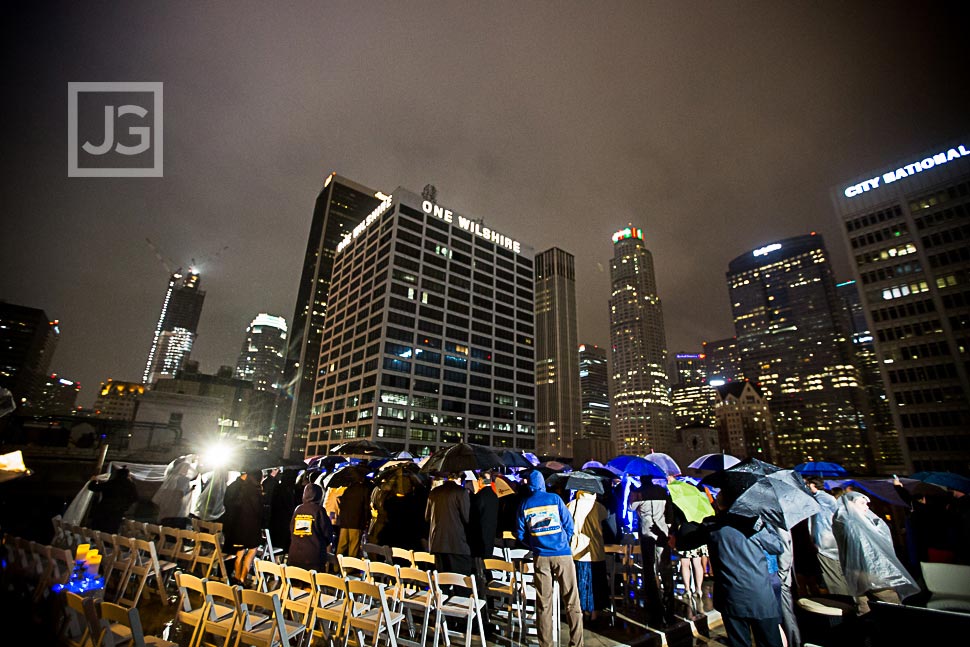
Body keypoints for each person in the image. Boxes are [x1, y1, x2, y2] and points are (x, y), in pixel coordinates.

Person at [686, 492, 785, 647]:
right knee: (769, 641)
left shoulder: (712, 525)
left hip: (730, 596)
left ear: (719, 505)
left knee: (738, 642)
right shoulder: (753, 524)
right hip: (760, 596)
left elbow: (686, 541)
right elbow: (776, 546)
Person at [516, 471, 583, 647]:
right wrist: (563, 541)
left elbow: (521, 534)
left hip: (541, 558)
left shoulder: (525, 503)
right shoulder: (555, 499)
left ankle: (545, 644)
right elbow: (569, 525)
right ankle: (577, 643)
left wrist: (535, 544)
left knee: (544, 604)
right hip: (562, 555)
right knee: (572, 601)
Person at [831, 491, 919, 615]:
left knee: (863, 606)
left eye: (866, 503)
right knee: (893, 604)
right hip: (872, 572)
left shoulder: (842, 520)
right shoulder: (855, 524)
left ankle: (869, 631)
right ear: (850, 504)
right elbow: (869, 551)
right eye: (862, 503)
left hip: (855, 572)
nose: (866, 507)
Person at [629, 478, 674, 629]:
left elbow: (630, 508)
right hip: (662, 532)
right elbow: (669, 511)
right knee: (665, 566)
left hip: (647, 532)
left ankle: (653, 601)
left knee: (649, 568)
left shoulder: (639, 492)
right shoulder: (662, 491)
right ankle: (668, 598)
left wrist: (635, 497)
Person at [566, 488, 608, 623]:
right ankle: (595, 613)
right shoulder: (599, 507)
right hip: (596, 551)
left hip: (577, 551)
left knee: (581, 582)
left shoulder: (571, 505)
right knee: (596, 583)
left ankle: (581, 612)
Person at [804, 477, 849, 595]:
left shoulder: (822, 498)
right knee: (838, 576)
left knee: (835, 578)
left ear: (813, 485)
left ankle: (844, 603)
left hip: (827, 546)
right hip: (829, 544)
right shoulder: (822, 498)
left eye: (806, 484)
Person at [425, 474, 473, 575]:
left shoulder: (434, 492)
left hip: (437, 543)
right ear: (459, 478)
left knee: (443, 581)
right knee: (461, 581)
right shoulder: (461, 492)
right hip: (457, 543)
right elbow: (466, 518)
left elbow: (427, 517)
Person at [223, 469, 263, 585]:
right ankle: (242, 578)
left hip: (237, 525)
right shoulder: (255, 490)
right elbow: (258, 510)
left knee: (239, 552)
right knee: (252, 551)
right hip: (251, 526)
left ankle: (236, 576)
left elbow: (227, 504)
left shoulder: (236, 488)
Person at [288, 483, 331, 572]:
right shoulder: (319, 510)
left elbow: (292, 529)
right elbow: (327, 533)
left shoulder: (298, 509)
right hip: (313, 558)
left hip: (295, 556)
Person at [87, 465, 139, 533]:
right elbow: (135, 498)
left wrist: (94, 480)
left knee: (99, 529)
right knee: (111, 530)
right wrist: (125, 506)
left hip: (104, 508)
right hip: (118, 511)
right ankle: (109, 543)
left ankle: (98, 542)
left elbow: (93, 487)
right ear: (127, 475)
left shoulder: (111, 483)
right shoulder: (131, 485)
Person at [153, 461, 195, 528]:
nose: (187, 471)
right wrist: (191, 490)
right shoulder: (184, 479)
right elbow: (181, 493)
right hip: (177, 508)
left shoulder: (171, 478)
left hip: (167, 508)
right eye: (186, 468)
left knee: (167, 528)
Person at [336, 479, 370, 558]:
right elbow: (365, 508)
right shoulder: (364, 490)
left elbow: (341, 505)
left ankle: (337, 566)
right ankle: (350, 568)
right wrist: (366, 521)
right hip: (356, 522)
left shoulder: (347, 490)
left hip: (344, 522)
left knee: (341, 545)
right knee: (353, 547)